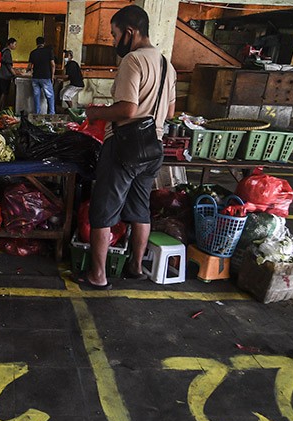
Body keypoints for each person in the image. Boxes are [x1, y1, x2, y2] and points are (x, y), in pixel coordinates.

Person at [81, 5, 177, 288]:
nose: (113, 41)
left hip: (125, 146)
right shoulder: (165, 64)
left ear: (130, 32)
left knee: (103, 211)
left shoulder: (133, 61)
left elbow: (127, 109)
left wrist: (95, 113)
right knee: (139, 209)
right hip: (153, 147)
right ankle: (135, 268)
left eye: (114, 35)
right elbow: (170, 112)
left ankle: (98, 276)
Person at [26, 37, 55, 115]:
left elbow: (29, 66)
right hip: (46, 77)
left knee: (36, 97)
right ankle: (51, 114)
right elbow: (52, 65)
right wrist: (52, 76)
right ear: (44, 43)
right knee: (49, 96)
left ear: (36, 43)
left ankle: (37, 114)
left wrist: (27, 71)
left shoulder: (33, 52)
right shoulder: (49, 51)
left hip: (35, 77)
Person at [0, 38, 17, 110]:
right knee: (4, 92)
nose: (15, 46)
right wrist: (14, 74)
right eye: (15, 44)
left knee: (4, 92)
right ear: (10, 44)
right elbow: (9, 66)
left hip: (2, 75)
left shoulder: (3, 51)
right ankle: (1, 107)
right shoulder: (7, 52)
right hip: (5, 76)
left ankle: (1, 107)